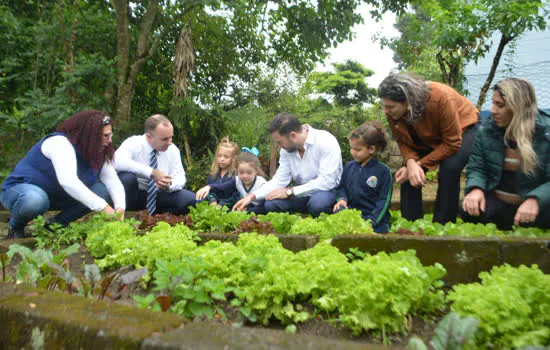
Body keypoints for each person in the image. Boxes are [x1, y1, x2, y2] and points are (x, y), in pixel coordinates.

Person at [1, 110, 125, 239]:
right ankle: (16, 226)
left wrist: (120, 208)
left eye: (111, 135)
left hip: (56, 197)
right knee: (35, 200)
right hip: (21, 193)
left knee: (100, 190)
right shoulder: (59, 143)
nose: (110, 140)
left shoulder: (98, 151)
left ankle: (56, 224)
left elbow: (113, 182)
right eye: (106, 135)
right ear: (90, 135)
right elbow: (69, 182)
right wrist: (104, 208)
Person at [378, 72, 479, 224]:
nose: (386, 111)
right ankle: (412, 225)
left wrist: (419, 164)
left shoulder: (440, 97)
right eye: (384, 106)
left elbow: (452, 143)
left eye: (390, 107)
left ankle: (443, 224)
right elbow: (403, 141)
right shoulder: (392, 112)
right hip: (429, 134)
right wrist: (410, 163)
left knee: (449, 168)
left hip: (464, 130)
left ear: (408, 101)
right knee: (407, 174)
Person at [461, 78, 550, 230]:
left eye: (500, 105)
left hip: (536, 208)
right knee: (468, 210)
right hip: (498, 204)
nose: (493, 110)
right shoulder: (486, 130)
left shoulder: (546, 132)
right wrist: (476, 188)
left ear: (518, 107)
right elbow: (477, 168)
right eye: (493, 103)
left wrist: (535, 199)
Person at [233, 112, 342, 217]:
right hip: (300, 194)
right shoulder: (287, 150)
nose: (279, 147)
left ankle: (321, 226)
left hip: (326, 191)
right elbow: (280, 180)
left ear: (293, 135)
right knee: (271, 203)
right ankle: (295, 225)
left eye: (280, 142)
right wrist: (252, 196)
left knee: (318, 204)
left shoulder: (325, 141)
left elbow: (327, 182)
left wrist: (290, 191)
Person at [115, 114, 195, 215]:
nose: (170, 142)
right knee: (127, 178)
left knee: (190, 199)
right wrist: (151, 172)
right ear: (149, 137)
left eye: (171, 137)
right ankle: (127, 216)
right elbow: (116, 161)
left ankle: (160, 220)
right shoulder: (134, 143)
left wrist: (169, 185)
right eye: (165, 139)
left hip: (160, 194)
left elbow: (180, 177)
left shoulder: (173, 150)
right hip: (135, 194)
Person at [333, 121, 393, 233]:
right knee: (338, 213)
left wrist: (372, 221)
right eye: (351, 148)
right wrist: (341, 199)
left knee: (378, 231)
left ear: (371, 149)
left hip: (372, 216)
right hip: (353, 213)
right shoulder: (349, 166)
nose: (353, 152)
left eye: (357, 150)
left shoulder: (383, 171)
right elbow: (341, 187)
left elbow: (384, 201)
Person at [196, 148, 267, 214]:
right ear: (236, 171)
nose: (245, 176)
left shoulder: (261, 183)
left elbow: (265, 205)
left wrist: (248, 211)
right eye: (241, 172)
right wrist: (209, 187)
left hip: (257, 210)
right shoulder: (237, 180)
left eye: (249, 172)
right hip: (244, 208)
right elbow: (222, 187)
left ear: (256, 171)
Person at [206, 136, 240, 206]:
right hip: (214, 203)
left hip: (228, 204)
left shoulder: (235, 175)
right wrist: (212, 200)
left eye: (226, 157)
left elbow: (236, 195)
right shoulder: (214, 173)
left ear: (233, 159)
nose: (222, 159)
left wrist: (222, 204)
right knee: (199, 199)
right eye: (219, 156)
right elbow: (209, 189)